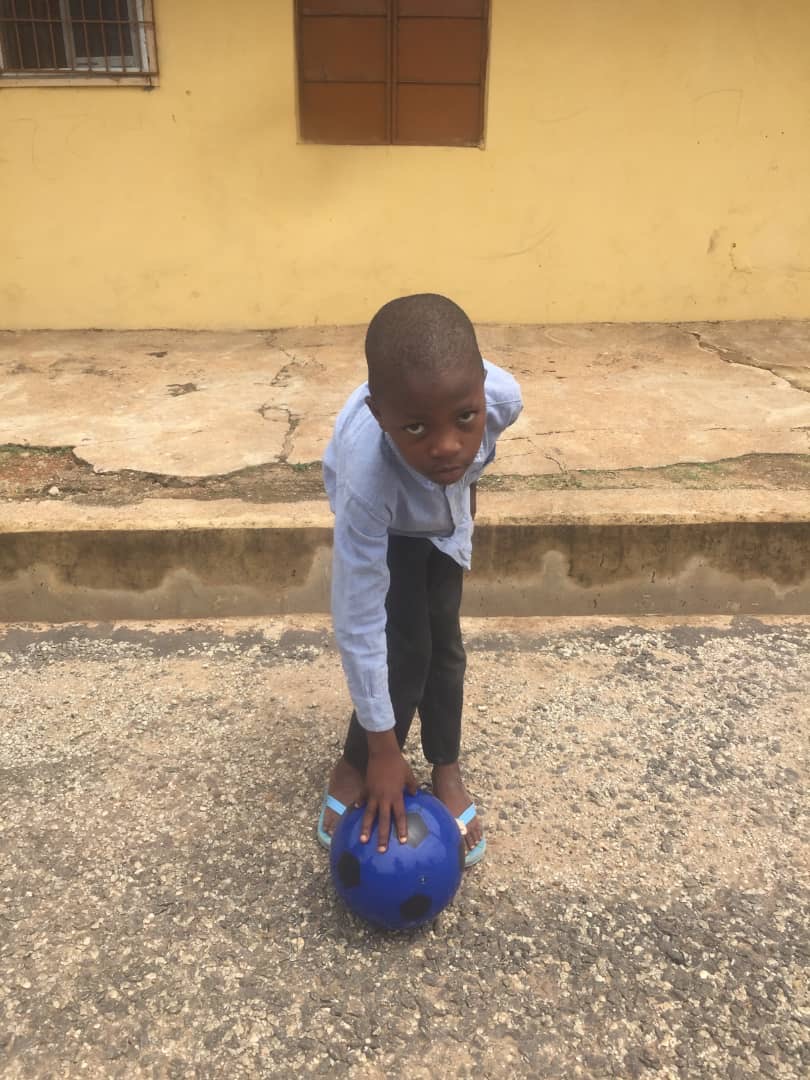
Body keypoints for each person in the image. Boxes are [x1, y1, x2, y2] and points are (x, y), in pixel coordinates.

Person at [317, 293, 523, 866]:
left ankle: (445, 766)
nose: (448, 444)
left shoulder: (502, 400)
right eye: (414, 426)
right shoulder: (365, 482)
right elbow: (357, 622)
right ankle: (355, 761)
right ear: (378, 413)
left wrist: (466, 488)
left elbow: (475, 449)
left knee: (445, 646)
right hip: (389, 524)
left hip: (444, 524)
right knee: (403, 650)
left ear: (482, 389)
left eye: (465, 418)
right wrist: (385, 752)